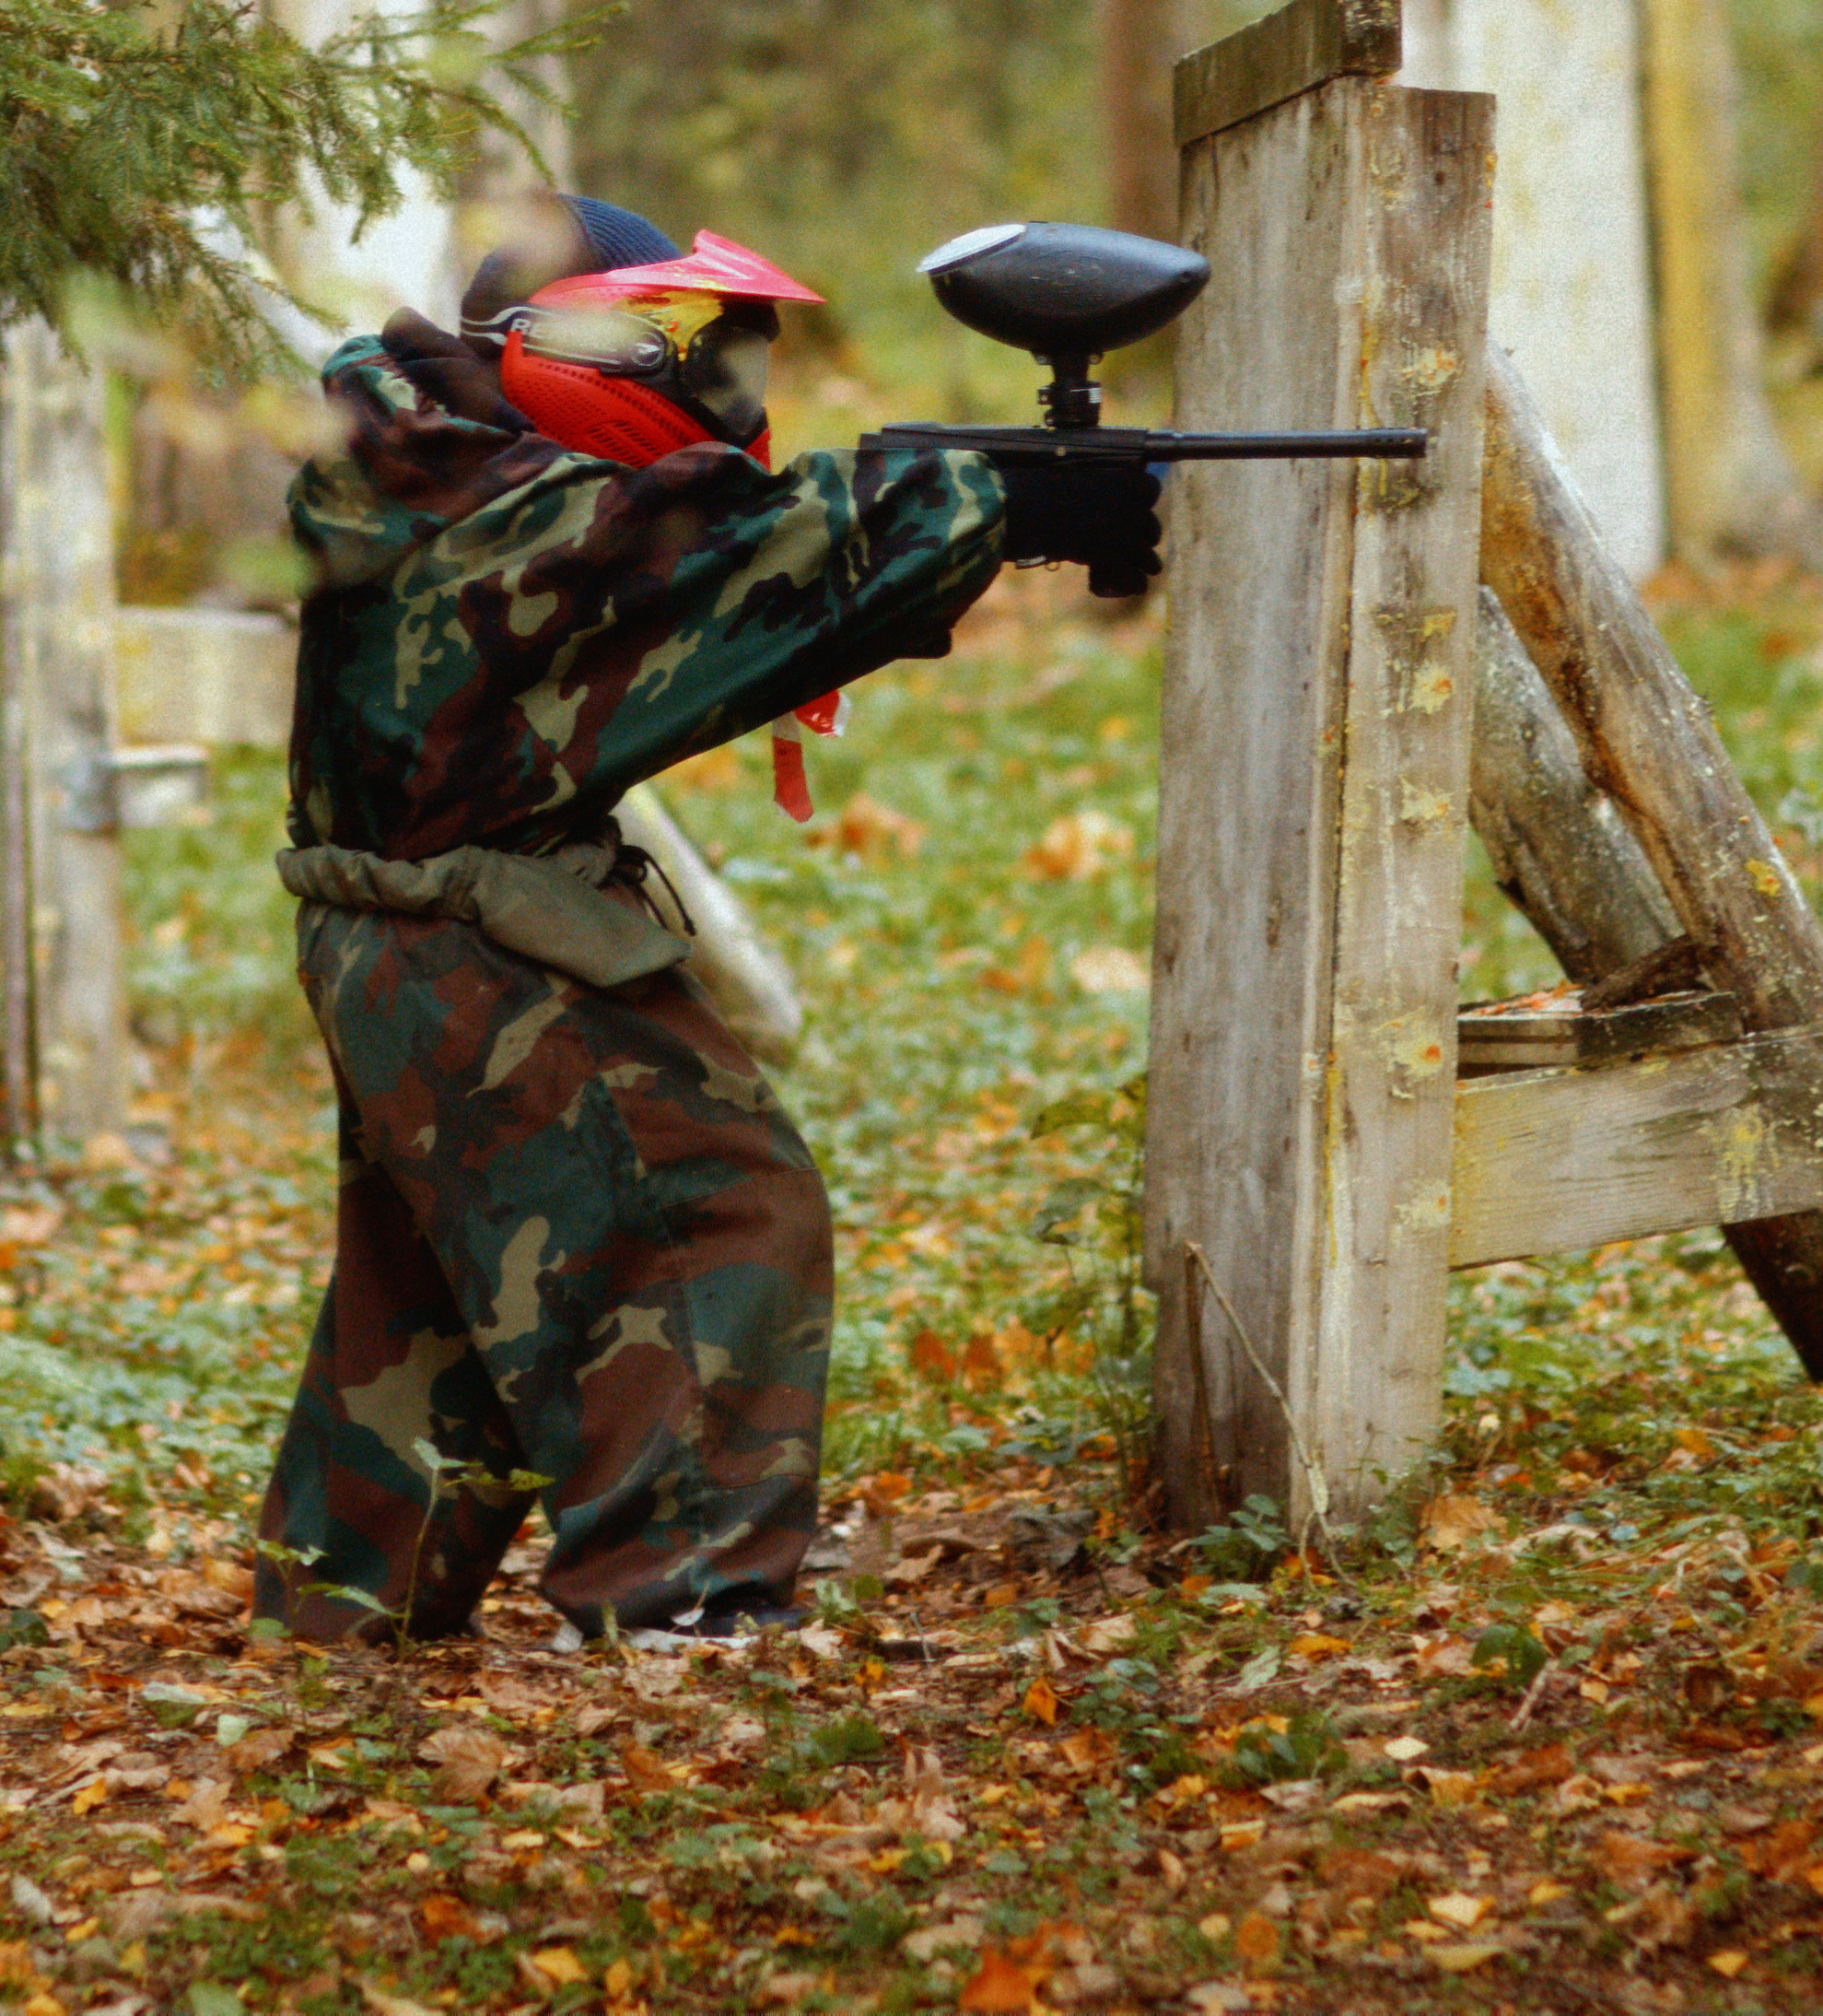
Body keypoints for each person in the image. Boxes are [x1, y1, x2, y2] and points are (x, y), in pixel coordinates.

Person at [251, 193, 1157, 1647]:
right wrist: (1006, 498)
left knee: (455, 1281)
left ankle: (340, 1612)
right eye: (705, 351)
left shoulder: (427, 459)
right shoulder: (505, 510)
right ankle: (681, 1614)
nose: (731, 390)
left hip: (400, 942)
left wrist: (981, 493)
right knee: (709, 1212)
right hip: (470, 945)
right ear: (587, 343)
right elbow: (724, 552)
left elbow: (695, 544)